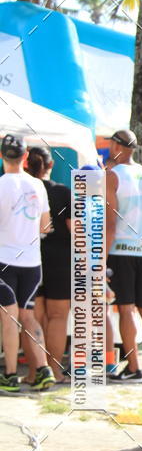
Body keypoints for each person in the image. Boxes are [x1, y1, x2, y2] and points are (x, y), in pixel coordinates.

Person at [105, 129, 142, 382]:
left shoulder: (112, 175)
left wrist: (101, 258)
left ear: (117, 146)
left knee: (126, 309)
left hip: (120, 250)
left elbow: (109, 224)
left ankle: (133, 367)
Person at [0, 134, 55, 392]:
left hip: (5, 260)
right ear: (24, 157)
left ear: (1, 156)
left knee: (9, 318)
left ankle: (10, 376)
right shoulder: (38, 185)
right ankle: (44, 369)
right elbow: (46, 225)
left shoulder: (1, 185)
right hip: (33, 262)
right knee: (28, 316)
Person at [25, 145, 72, 383]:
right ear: (51, 165)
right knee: (58, 317)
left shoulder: (23, 189)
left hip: (30, 258)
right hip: (61, 260)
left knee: (33, 316)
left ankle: (35, 372)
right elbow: (75, 229)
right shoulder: (63, 192)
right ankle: (55, 371)